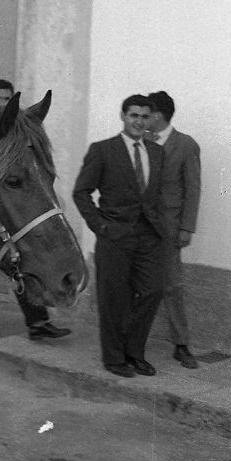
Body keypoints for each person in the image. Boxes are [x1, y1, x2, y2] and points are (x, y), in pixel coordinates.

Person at [0, 79, 71, 342]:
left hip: (4, 209)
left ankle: (37, 322)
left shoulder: (14, 131)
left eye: (7, 99)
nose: (2, 103)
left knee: (18, 263)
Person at [72, 95, 165, 378]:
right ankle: (114, 357)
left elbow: (154, 194)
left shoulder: (157, 152)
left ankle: (134, 353)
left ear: (150, 120)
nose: (139, 121)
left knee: (152, 290)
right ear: (123, 116)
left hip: (148, 236)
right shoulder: (103, 150)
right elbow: (81, 192)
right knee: (113, 298)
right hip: (114, 235)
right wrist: (101, 226)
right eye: (133, 115)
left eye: (144, 116)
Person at [147, 91, 201, 369]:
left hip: (169, 230)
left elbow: (193, 189)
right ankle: (132, 342)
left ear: (159, 114)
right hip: (142, 228)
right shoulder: (140, 142)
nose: (143, 118)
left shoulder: (186, 145)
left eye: (148, 112)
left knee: (172, 285)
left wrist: (187, 227)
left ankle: (181, 344)